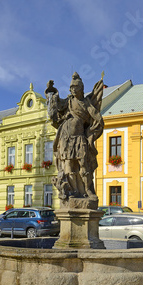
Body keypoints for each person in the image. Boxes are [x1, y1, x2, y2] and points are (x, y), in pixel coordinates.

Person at [45, 72, 104, 201]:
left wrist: (93, 132)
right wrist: (51, 91)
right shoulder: (69, 101)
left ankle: (88, 190)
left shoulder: (86, 103)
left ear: (81, 88)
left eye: (74, 87)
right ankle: (72, 191)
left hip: (79, 138)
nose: (72, 90)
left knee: (84, 164)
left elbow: (96, 117)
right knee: (69, 166)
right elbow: (57, 104)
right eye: (71, 88)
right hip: (66, 139)